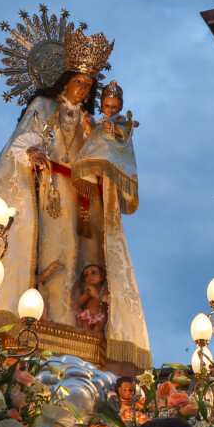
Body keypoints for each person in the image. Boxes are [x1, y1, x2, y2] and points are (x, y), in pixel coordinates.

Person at [68, 79, 150, 371]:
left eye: (114, 107)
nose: (110, 109)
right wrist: (91, 128)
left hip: (107, 167)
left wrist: (115, 131)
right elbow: (89, 139)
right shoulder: (100, 120)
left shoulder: (122, 124)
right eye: (107, 106)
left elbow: (124, 144)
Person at [76, 264, 107, 332]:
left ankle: (96, 339)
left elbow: (107, 299)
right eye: (86, 275)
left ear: (101, 277)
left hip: (100, 316)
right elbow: (79, 303)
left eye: (93, 273)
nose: (89, 276)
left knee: (98, 330)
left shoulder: (103, 290)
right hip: (88, 316)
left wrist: (95, 295)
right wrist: (86, 295)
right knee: (85, 329)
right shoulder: (88, 291)